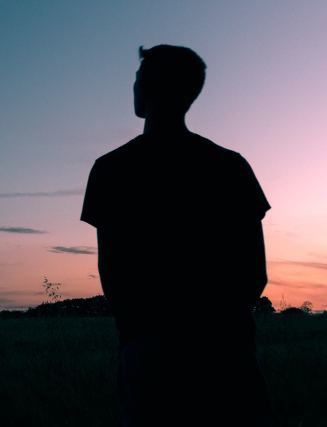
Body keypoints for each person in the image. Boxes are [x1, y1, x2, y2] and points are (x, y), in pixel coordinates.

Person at [81, 45, 275, 427]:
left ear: (148, 87)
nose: (132, 88)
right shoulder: (230, 166)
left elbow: (113, 274)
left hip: (147, 350)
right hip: (226, 349)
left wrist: (145, 334)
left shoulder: (112, 169)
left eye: (137, 79)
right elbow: (255, 273)